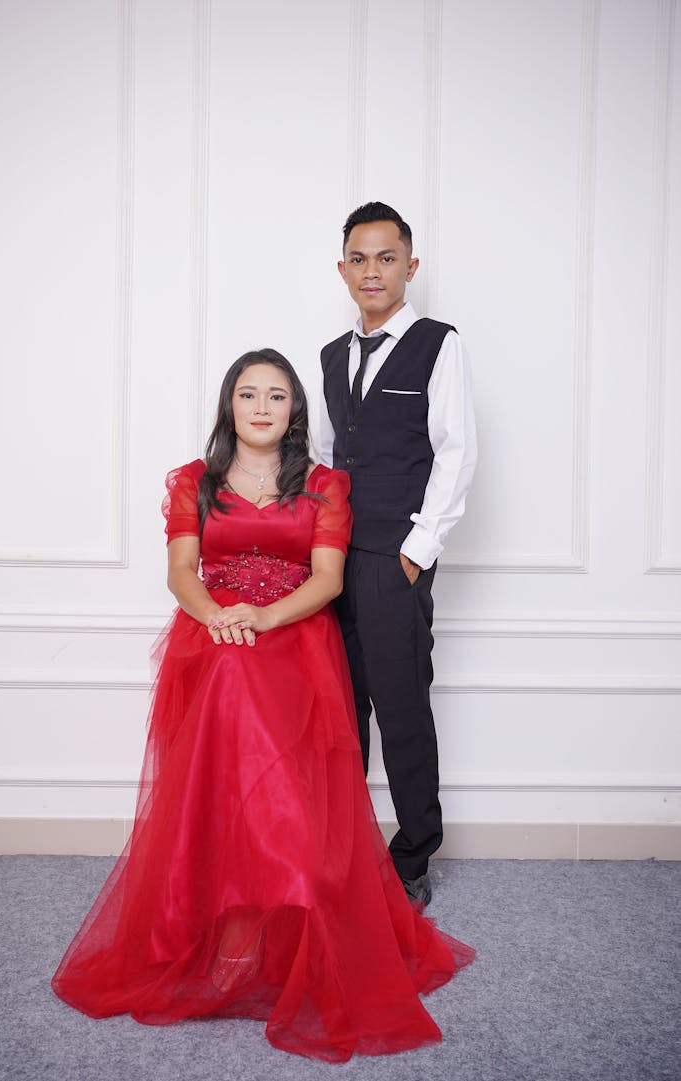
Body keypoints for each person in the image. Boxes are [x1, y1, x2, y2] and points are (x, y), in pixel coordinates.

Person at [51, 348, 473, 1062]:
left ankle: (279, 918)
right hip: (214, 630)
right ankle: (224, 921)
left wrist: (263, 617)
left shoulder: (323, 485)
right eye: (248, 394)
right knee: (227, 680)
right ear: (229, 406)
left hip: (293, 632)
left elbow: (328, 578)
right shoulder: (194, 480)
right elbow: (181, 571)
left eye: (276, 396)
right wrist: (219, 616)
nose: (261, 407)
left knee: (251, 689)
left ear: (294, 411)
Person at [319, 202, 477, 906]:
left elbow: (457, 450)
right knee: (338, 708)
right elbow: (323, 458)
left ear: (410, 267)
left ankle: (413, 854)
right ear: (343, 268)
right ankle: (343, 846)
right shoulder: (329, 356)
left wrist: (415, 550)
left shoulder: (437, 344)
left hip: (394, 558)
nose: (372, 270)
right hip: (332, 561)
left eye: (387, 258)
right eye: (360, 257)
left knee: (402, 705)